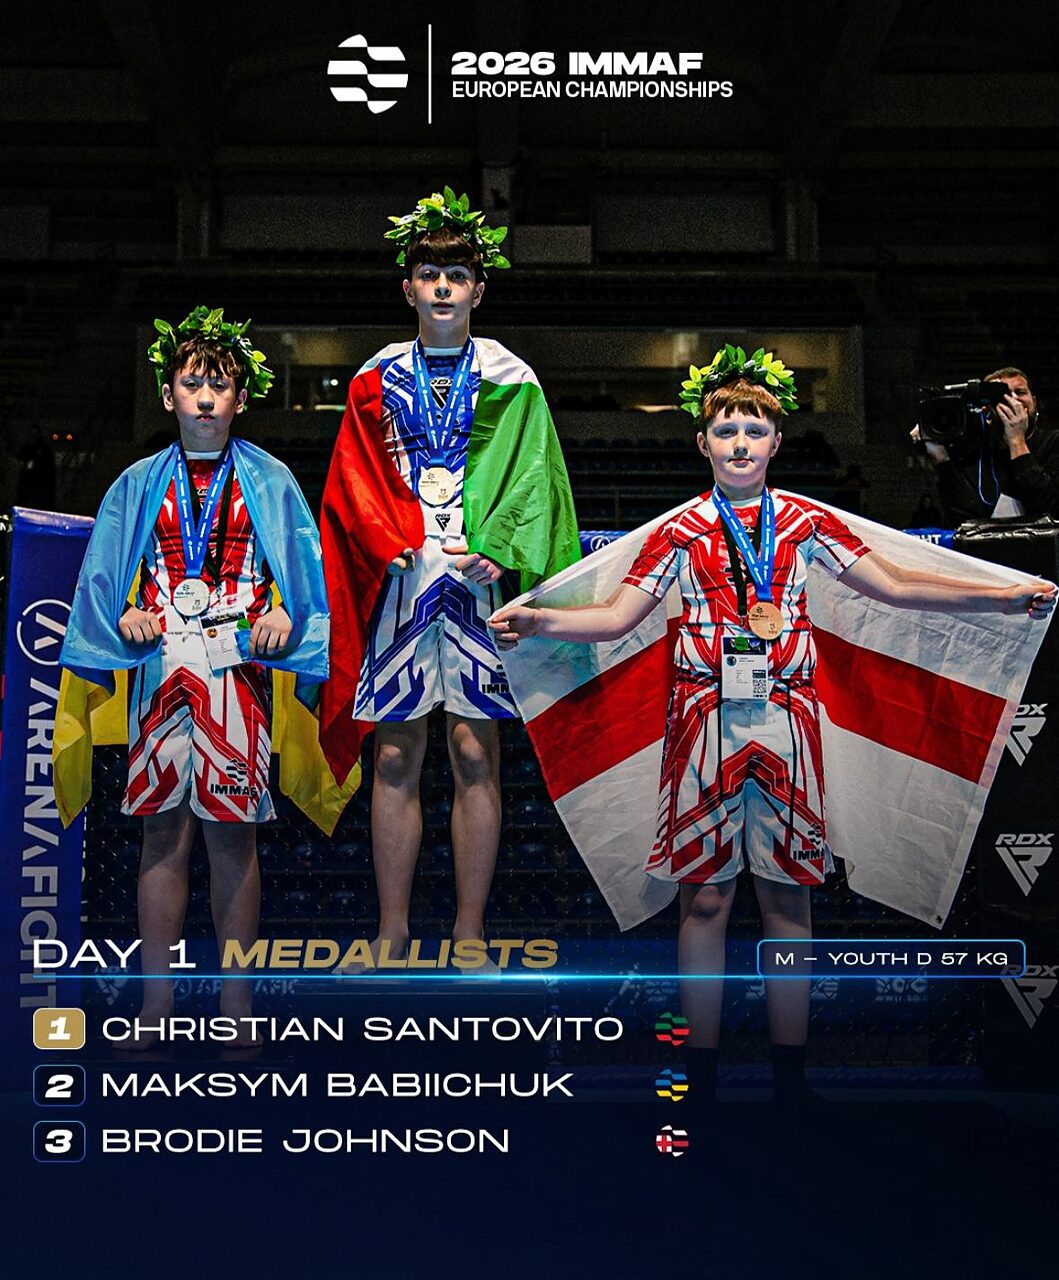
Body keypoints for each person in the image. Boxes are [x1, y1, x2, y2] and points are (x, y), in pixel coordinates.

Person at [492, 345, 1054, 1107]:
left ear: (775, 442)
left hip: (787, 725)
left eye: (753, 432)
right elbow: (617, 616)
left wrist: (997, 595)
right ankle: (699, 1072)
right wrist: (541, 620)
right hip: (703, 725)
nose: (739, 444)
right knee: (705, 901)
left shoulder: (805, 521)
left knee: (788, 901)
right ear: (702, 443)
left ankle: (792, 1075)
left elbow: (892, 586)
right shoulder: (677, 530)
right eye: (726, 432)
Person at [319, 189, 579, 962]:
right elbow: (351, 477)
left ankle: (469, 929)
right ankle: (392, 928)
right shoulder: (373, 375)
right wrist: (379, 536)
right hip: (400, 580)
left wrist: (501, 544)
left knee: (473, 752)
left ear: (477, 290)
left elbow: (536, 477)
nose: (442, 287)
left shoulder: (511, 374)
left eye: (456, 276)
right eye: (429, 274)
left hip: (476, 582)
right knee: (395, 754)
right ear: (408, 288)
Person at [58, 307, 329, 1047]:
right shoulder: (135, 483)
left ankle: (236, 1005)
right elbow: (103, 580)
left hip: (235, 673)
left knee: (232, 840)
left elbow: (302, 580)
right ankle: (157, 1004)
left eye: (220, 385)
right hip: (160, 673)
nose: (205, 397)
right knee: (162, 836)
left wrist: (284, 614)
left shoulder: (271, 480)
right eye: (192, 384)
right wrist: (125, 614)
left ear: (242, 399)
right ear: (168, 394)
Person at [914, 366, 1059, 523]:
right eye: (1002, 395)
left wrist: (1017, 441)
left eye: (1020, 392)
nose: (1013, 399)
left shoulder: (1054, 442)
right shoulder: (975, 453)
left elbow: (1051, 508)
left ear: (1034, 402)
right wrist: (942, 458)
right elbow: (963, 522)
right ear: (986, 412)